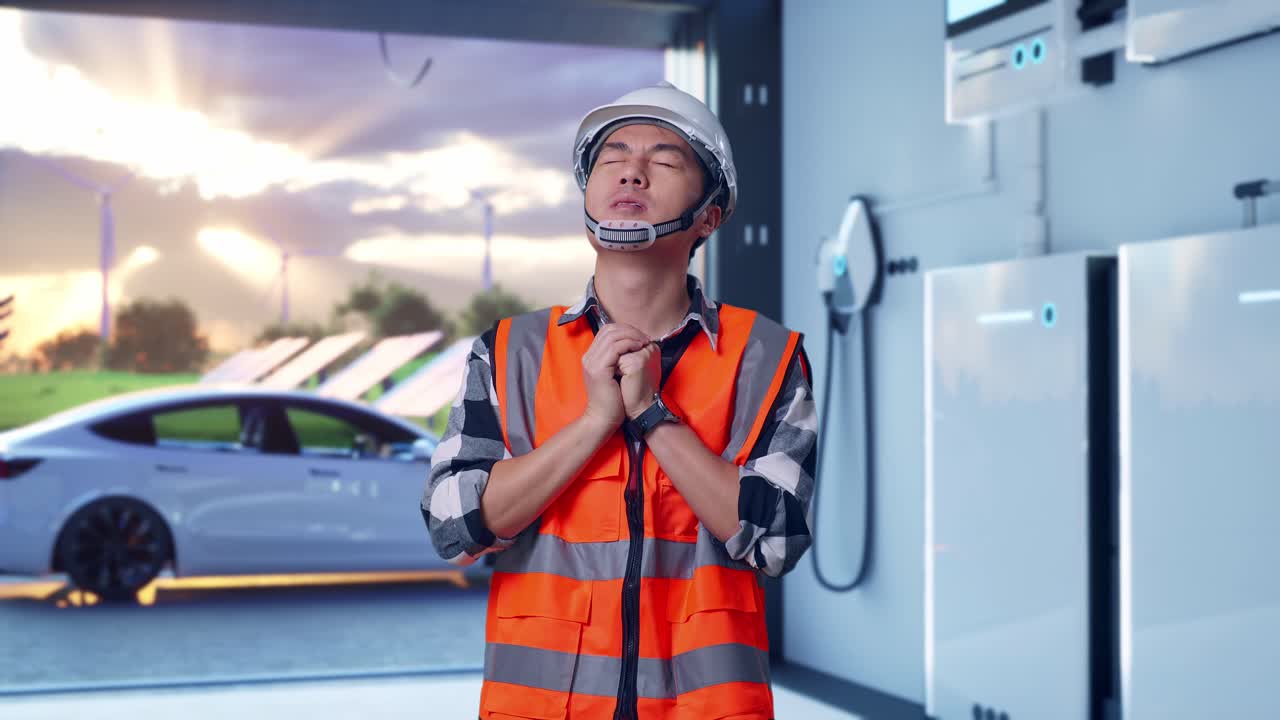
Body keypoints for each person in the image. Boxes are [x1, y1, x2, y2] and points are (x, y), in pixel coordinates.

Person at [423, 81, 817, 720]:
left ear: (710, 216)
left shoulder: (766, 358)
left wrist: (653, 416)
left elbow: (776, 541)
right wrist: (594, 421)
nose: (632, 171)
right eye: (613, 157)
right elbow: (452, 527)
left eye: (664, 160)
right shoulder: (509, 352)